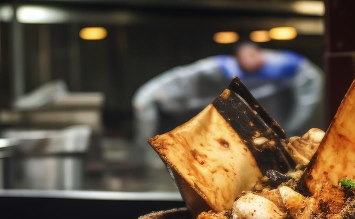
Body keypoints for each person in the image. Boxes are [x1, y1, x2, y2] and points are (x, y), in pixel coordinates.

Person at [132, 43, 323, 147]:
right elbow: (146, 97)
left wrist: (293, 127)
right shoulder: (215, 69)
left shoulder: (287, 66)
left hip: (281, 136)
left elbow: (311, 91)